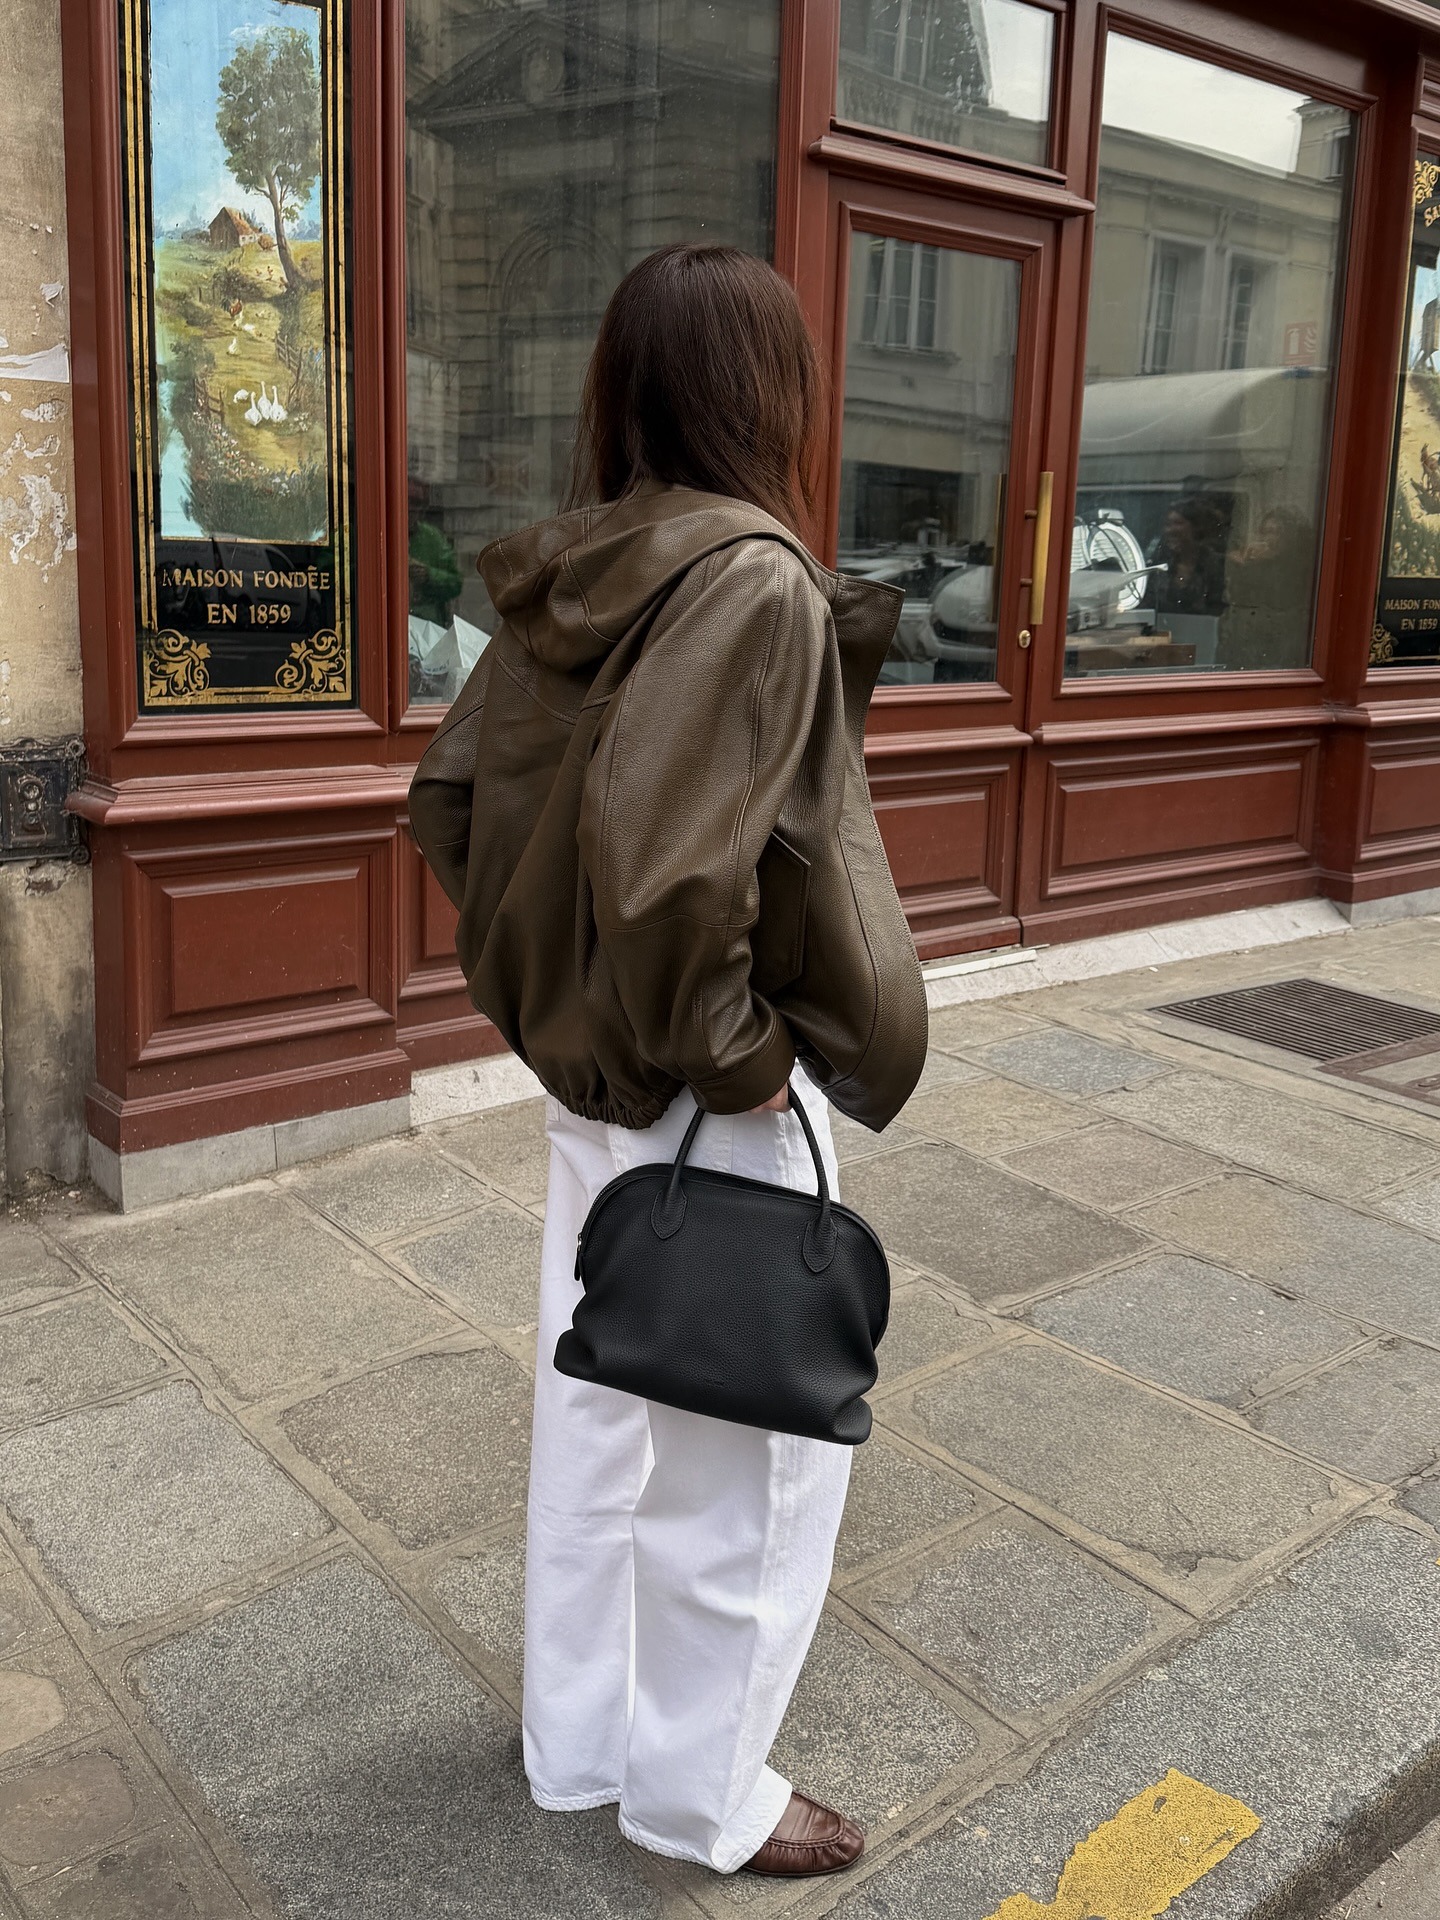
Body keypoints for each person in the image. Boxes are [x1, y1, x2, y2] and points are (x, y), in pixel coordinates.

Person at [408, 244, 927, 1879]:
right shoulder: (751, 576)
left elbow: (452, 808)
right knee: (749, 1471)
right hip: (707, 1085)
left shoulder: (583, 565)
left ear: (625, 386)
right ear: (771, 391)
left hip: (598, 1083)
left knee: (600, 1416)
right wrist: (742, 1057)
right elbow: (662, 872)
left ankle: (579, 1745)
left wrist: (561, 1005)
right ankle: (705, 1797)